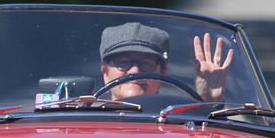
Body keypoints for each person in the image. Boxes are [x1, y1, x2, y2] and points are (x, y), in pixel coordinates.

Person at [100, 22, 233, 102]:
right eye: (123, 62)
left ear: (161, 77)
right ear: (105, 73)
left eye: (147, 63)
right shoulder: (86, 126)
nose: (135, 70)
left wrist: (210, 101)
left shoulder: (181, 126)